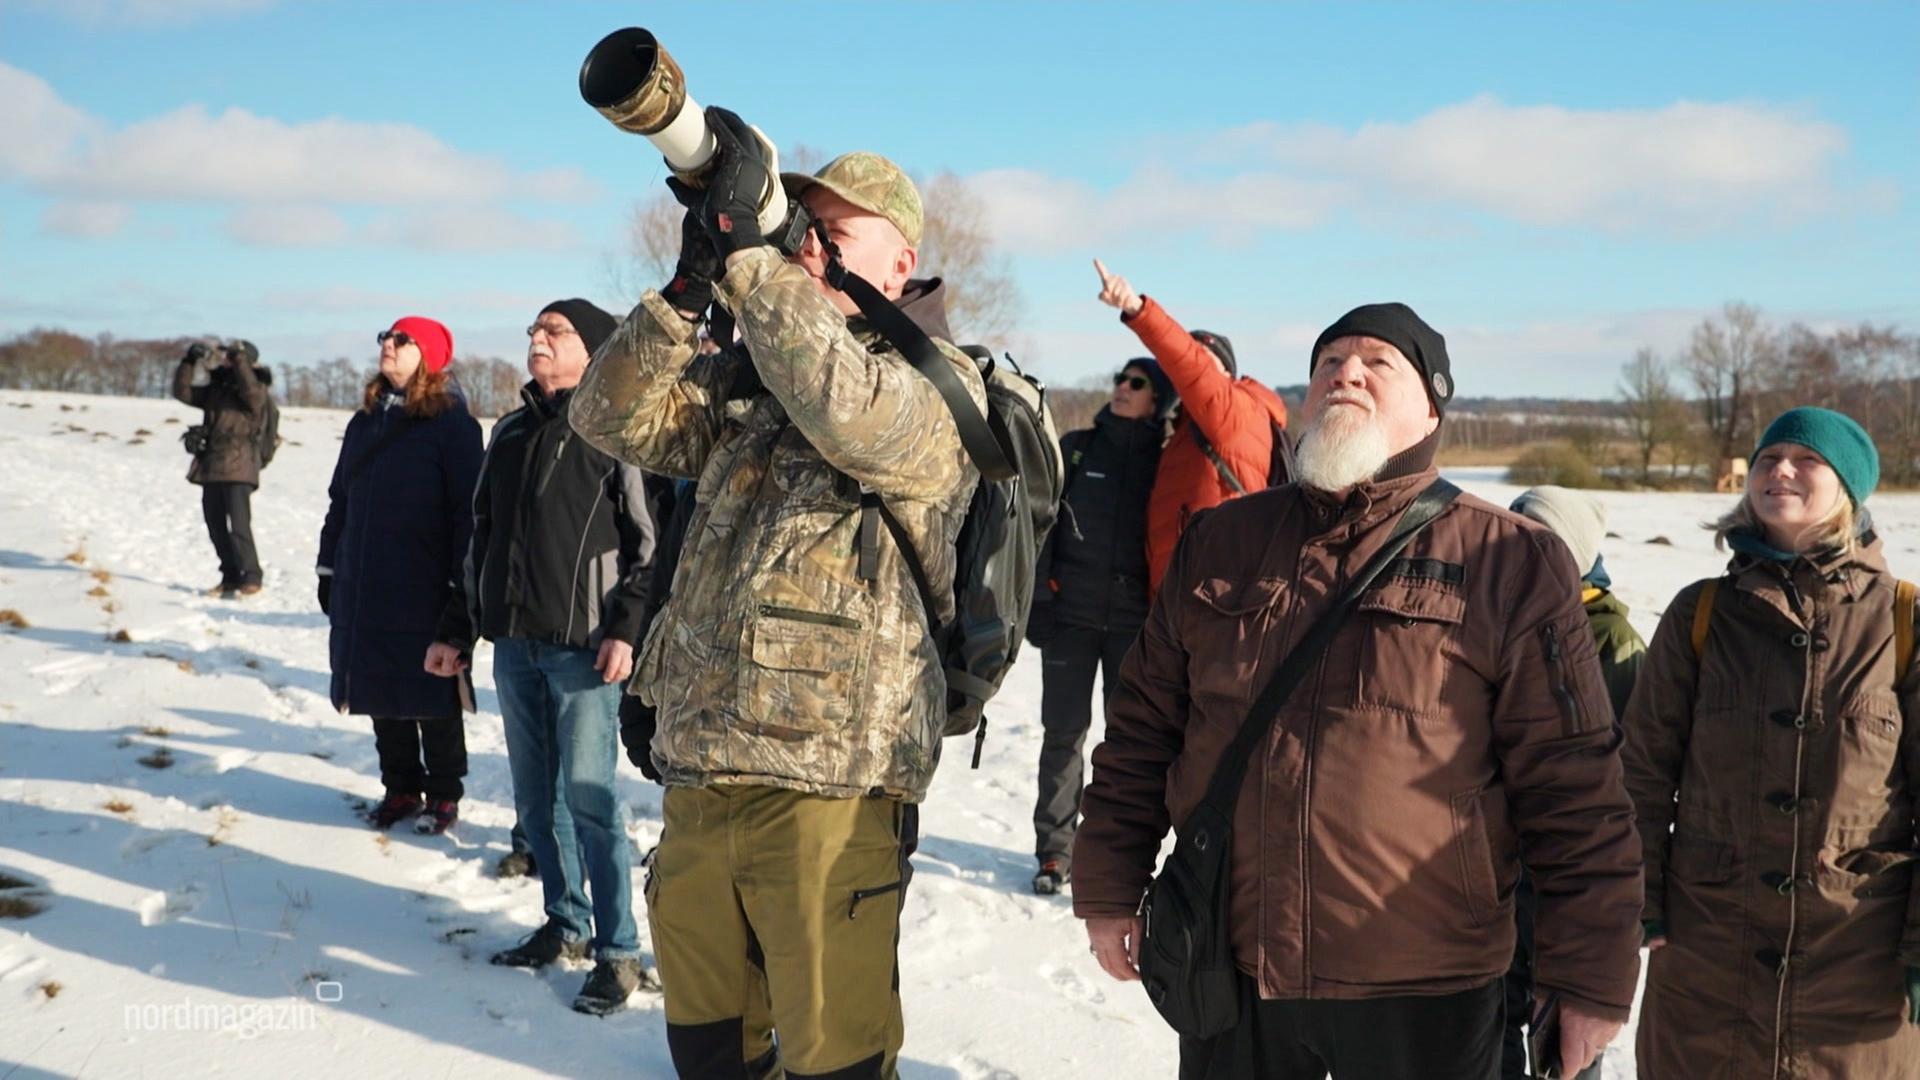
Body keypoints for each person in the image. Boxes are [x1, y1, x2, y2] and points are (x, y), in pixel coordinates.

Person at [1072, 302, 1643, 1080]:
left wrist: (1589, 977)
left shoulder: (1510, 559)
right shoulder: (1224, 540)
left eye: (1378, 362)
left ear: (1432, 405)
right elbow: (1142, 731)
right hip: (1235, 968)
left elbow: (1573, 783)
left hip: (1427, 987)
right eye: (1328, 362)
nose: (1345, 372)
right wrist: (1109, 887)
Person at [568, 120, 981, 1079]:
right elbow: (607, 414)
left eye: (835, 228)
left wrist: (759, 269)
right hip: (704, 772)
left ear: (903, 257)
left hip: (830, 791)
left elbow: (851, 414)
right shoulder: (748, 386)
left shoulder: (940, 382)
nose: (809, 242)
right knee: (709, 1050)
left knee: (833, 1056)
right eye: (802, 224)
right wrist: (686, 292)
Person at [1623, 406, 1920, 1078]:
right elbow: (1638, 775)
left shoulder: (1904, 621)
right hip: (1706, 965)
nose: (1779, 470)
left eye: (1806, 459)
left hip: (1857, 971)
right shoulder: (1699, 615)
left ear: (1847, 487)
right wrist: (1639, 900)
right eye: (1766, 459)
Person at [430, 299, 657, 1014]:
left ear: (592, 349)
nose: (537, 340)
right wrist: (458, 628)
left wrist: (626, 626)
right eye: (534, 330)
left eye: (554, 332)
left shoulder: (617, 431)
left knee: (590, 803)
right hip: (516, 646)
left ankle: (617, 952)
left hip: (586, 653)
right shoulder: (513, 431)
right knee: (536, 801)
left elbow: (652, 547)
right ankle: (565, 924)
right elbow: (482, 541)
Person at [1502, 484, 1648, 1078]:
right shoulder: (1496, 619)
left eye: (1541, 543)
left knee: (1563, 1046)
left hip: (1565, 879)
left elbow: (1624, 781)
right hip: (1493, 875)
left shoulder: (1612, 644)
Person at [317, 317, 482, 836]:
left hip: (425, 583)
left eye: (401, 340)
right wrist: (329, 565)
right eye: (384, 338)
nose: (387, 346)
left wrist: (461, 588)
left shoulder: (453, 423)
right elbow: (340, 498)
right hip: (365, 579)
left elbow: (468, 513)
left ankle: (445, 793)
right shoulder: (366, 420)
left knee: (431, 695)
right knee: (378, 689)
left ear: (429, 355)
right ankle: (400, 786)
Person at [1025, 356, 1174, 895]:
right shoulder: (1077, 447)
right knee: (1063, 735)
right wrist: (1039, 597)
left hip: (1135, 624)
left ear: (1156, 398)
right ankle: (1054, 854)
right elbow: (1039, 526)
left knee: (1126, 743)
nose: (1121, 389)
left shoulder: (1165, 463)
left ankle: (1112, 859)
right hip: (1071, 616)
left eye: (1136, 383)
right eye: (1119, 379)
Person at [1092, 260, 1289, 591]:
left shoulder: (1235, 412)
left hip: (1214, 603)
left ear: (1226, 374)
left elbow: (1191, 368)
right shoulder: (1185, 432)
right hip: (1182, 605)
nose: (1186, 368)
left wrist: (1137, 309)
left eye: (1202, 360)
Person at [172, 339, 271, 598]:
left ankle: (252, 576)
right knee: (214, 524)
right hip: (212, 464)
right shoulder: (217, 391)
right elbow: (182, 392)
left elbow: (249, 389)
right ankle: (230, 576)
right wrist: (189, 361)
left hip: (240, 466)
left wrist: (239, 357)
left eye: (233, 358)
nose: (226, 361)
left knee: (239, 525)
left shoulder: (256, 390)